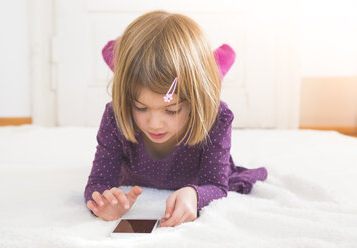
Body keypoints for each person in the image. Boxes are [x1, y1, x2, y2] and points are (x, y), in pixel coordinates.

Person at [84, 10, 268, 228]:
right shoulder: (117, 114)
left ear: (194, 103)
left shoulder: (215, 117)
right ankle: (116, 53)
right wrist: (103, 202)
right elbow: (97, 183)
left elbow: (217, 185)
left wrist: (194, 194)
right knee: (141, 79)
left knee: (205, 81)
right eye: (140, 108)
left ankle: (216, 64)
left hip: (197, 89)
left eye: (171, 111)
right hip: (153, 86)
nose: (154, 123)